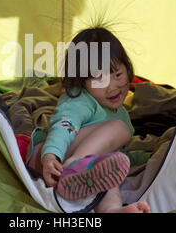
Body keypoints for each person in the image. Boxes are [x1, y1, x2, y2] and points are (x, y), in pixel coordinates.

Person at [26, 27, 151, 213]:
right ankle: (75, 165)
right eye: (99, 80)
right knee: (119, 129)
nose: (112, 87)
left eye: (117, 75)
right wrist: (51, 154)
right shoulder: (80, 100)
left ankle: (112, 210)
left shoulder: (119, 112)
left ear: (128, 68)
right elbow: (63, 127)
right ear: (81, 81)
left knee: (109, 173)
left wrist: (148, 156)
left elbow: (115, 152)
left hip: (84, 163)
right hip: (49, 158)